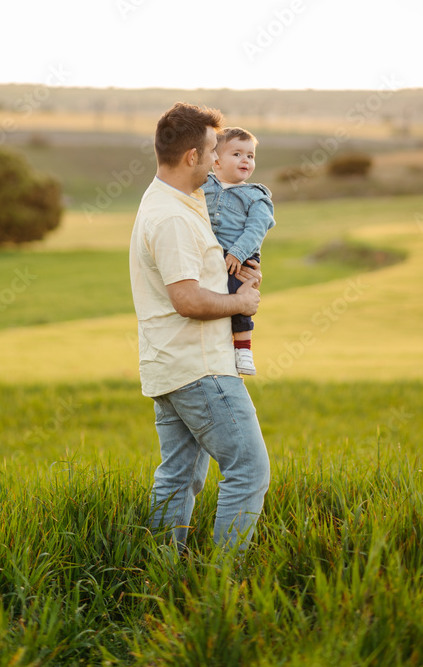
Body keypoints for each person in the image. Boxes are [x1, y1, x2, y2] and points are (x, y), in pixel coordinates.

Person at [129, 101, 271, 552]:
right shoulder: (171, 217)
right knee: (249, 469)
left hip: (170, 363)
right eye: (213, 151)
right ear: (192, 156)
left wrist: (242, 269)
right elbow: (186, 299)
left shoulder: (176, 199)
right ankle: (223, 588)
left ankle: (160, 574)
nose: (217, 160)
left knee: (178, 475)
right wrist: (241, 301)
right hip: (199, 367)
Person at [201, 127, 275, 376]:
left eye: (250, 156)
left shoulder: (255, 197)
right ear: (216, 160)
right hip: (210, 254)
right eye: (237, 154)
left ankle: (243, 348)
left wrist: (237, 253)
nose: (246, 160)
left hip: (241, 257)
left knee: (239, 293)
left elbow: (256, 230)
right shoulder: (203, 185)